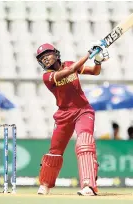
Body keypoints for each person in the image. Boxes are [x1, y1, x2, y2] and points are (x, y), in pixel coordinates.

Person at [36, 42, 109, 196]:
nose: (45, 59)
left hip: (83, 110)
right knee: (55, 151)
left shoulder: (69, 63)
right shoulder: (47, 76)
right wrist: (89, 54)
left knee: (85, 142)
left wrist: (97, 61)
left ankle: (89, 186)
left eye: (47, 54)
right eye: (42, 58)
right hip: (63, 115)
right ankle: (45, 184)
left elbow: (95, 72)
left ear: (56, 54)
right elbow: (70, 70)